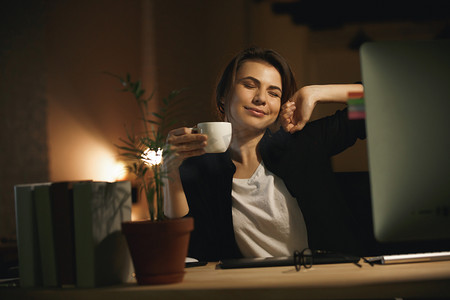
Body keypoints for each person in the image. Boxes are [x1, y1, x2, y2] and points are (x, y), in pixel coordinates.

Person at [163, 47, 365, 261]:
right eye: (249, 85)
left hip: (330, 279)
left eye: (273, 93)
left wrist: (314, 92)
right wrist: (170, 170)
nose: (261, 98)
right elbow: (184, 248)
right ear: (223, 95)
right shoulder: (200, 168)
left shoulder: (303, 144)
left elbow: (381, 101)